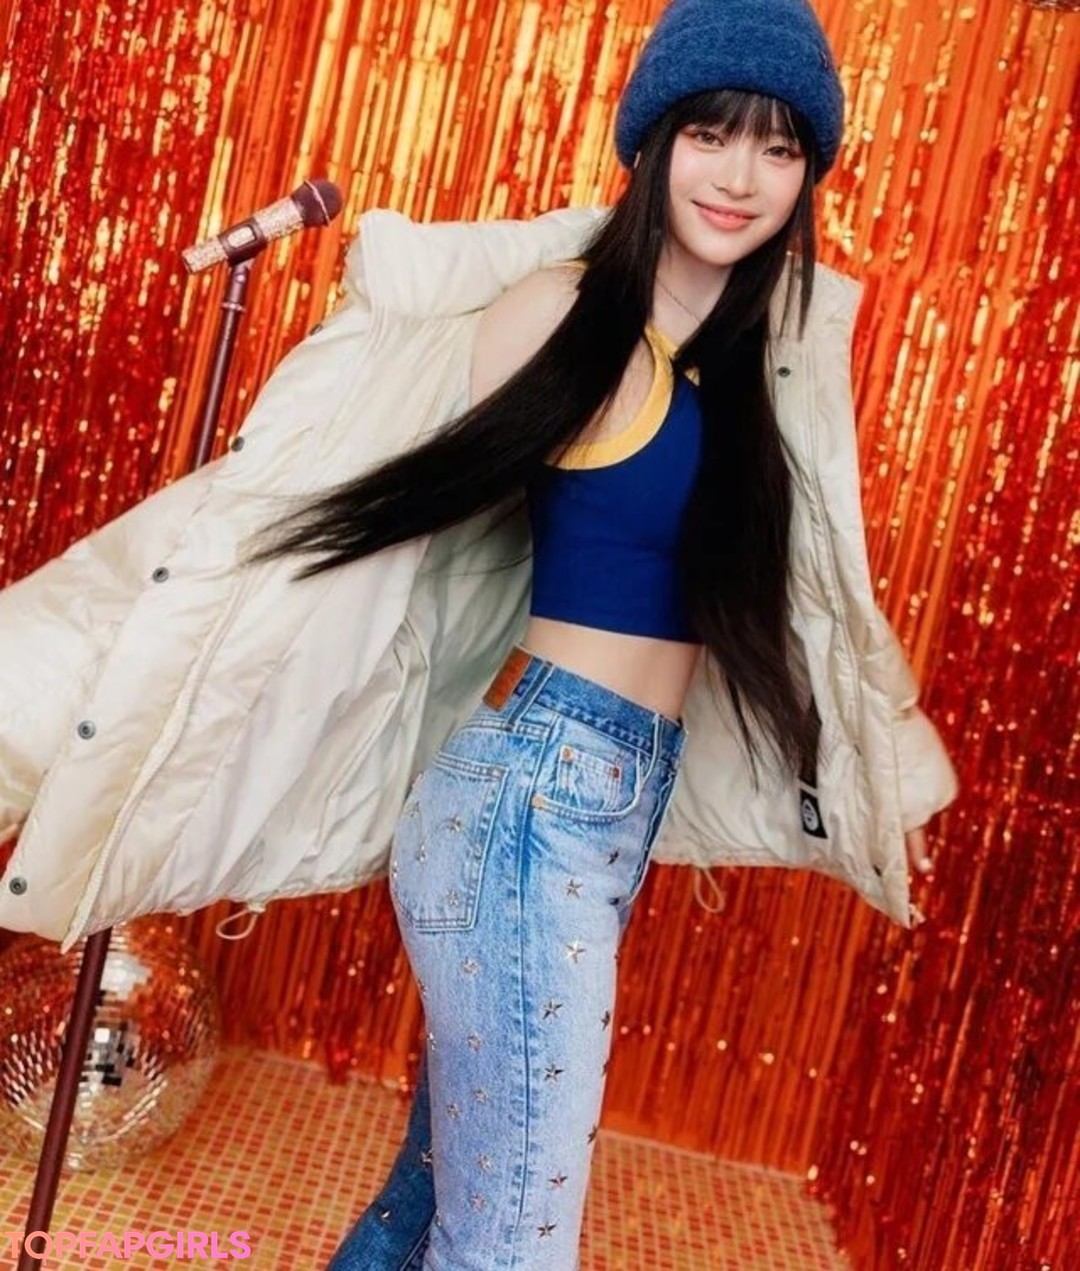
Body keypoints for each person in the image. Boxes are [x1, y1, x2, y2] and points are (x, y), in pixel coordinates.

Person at [0, 0, 957, 1267]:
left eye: (778, 148)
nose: (740, 176)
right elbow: (344, 489)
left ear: (808, 174)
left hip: (602, 804)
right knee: (509, 1242)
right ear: (652, 141)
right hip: (528, 802)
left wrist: (887, 767)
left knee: (436, 1203)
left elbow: (811, 602)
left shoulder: (752, 362)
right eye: (709, 135)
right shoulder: (566, 315)